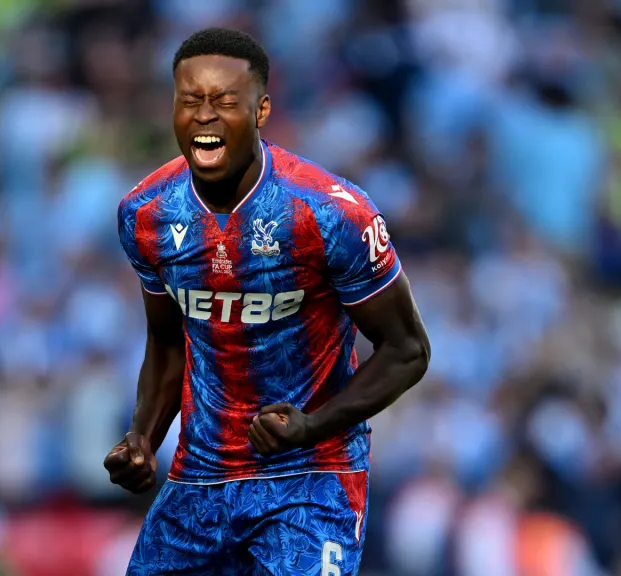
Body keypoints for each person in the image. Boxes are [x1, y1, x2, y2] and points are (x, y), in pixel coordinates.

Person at [104, 27, 431, 576]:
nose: (204, 116)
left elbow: (408, 350)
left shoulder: (330, 214)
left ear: (261, 110)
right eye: (190, 101)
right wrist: (143, 436)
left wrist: (313, 425)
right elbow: (168, 342)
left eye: (224, 101)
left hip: (311, 481)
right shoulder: (146, 214)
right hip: (199, 482)